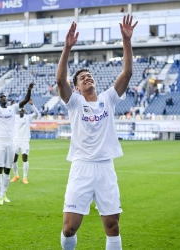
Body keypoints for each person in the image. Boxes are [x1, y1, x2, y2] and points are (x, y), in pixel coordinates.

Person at [56, 14, 138, 249]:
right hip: (81, 166)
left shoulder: (108, 99)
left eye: (89, 75)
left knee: (112, 226)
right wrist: (66, 47)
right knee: (69, 227)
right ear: (78, 87)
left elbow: (127, 73)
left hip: (105, 167)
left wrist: (126, 40)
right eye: (82, 77)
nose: (87, 77)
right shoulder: (74, 103)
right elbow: (60, 81)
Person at [0, 83, 34, 205]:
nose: (3, 98)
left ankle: (4, 194)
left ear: (7, 99)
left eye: (4, 96)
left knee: (8, 170)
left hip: (10, 142)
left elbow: (25, 100)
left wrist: (29, 89)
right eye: (1, 97)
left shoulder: (12, 109)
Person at [10, 99, 40, 184]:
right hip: (15, 141)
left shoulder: (28, 118)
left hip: (25, 141)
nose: (22, 111)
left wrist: (32, 105)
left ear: (25, 110)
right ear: (18, 111)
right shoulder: (15, 117)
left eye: (23, 110)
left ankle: (25, 177)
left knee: (25, 158)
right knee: (14, 159)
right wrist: (12, 105)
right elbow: (9, 111)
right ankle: (16, 175)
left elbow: (37, 114)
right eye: (20, 110)